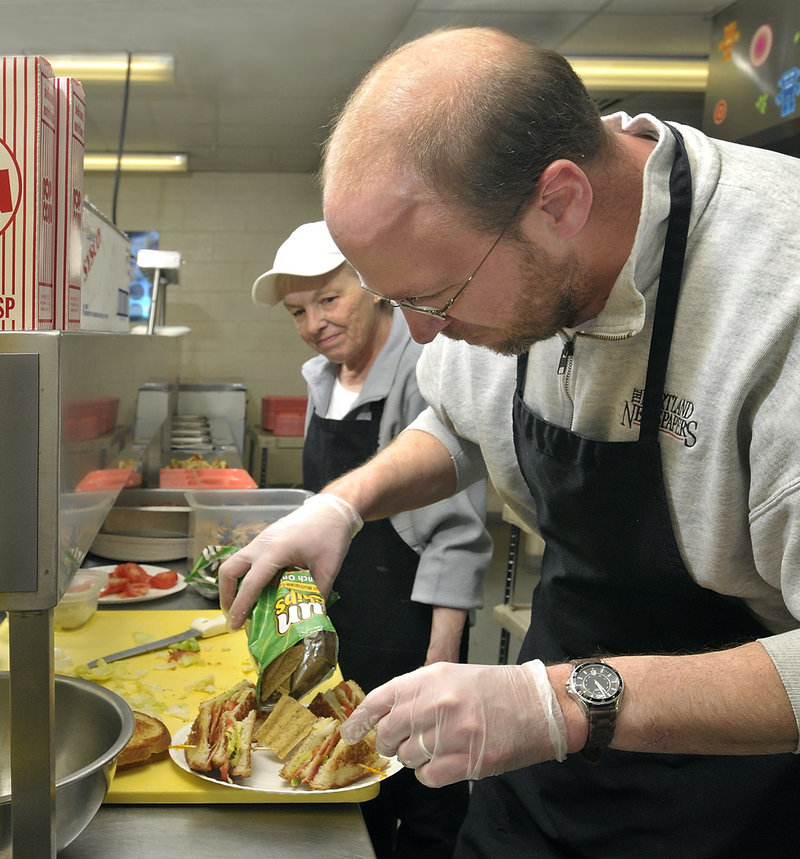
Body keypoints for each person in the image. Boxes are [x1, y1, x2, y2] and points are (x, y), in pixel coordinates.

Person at [221, 26, 800, 858]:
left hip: (732, 801)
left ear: (559, 201)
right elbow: (457, 422)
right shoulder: (497, 268)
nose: (422, 337)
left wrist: (558, 705)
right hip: (541, 789)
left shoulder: (776, 293)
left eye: (437, 295)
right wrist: (345, 504)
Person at [249, 220, 492, 858]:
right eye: (298, 311)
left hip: (414, 627)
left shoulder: (424, 372)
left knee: (427, 791)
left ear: (374, 287)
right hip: (339, 628)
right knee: (352, 782)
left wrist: (439, 665)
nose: (313, 323)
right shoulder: (321, 379)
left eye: (329, 300)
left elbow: (458, 535)